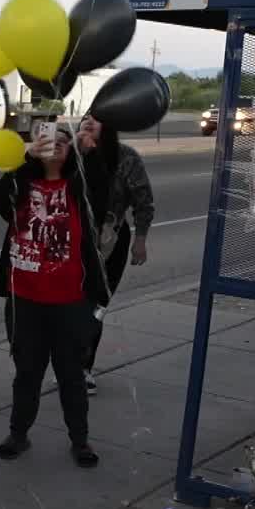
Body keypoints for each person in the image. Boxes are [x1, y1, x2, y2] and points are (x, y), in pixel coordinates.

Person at [0, 124, 108, 467]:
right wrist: (27, 159)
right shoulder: (22, 184)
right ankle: (18, 434)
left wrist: (90, 151)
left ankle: (80, 440)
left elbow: (101, 188)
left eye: (63, 141)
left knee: (72, 375)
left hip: (71, 301)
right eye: (48, 139)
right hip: (25, 300)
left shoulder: (78, 187)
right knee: (27, 373)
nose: (55, 145)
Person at [76, 116, 154, 395]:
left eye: (97, 119)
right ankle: (66, 361)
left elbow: (144, 201)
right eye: (86, 117)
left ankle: (83, 367)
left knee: (96, 306)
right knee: (68, 306)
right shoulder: (69, 153)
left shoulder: (126, 157)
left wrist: (140, 239)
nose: (89, 121)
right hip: (70, 242)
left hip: (110, 243)